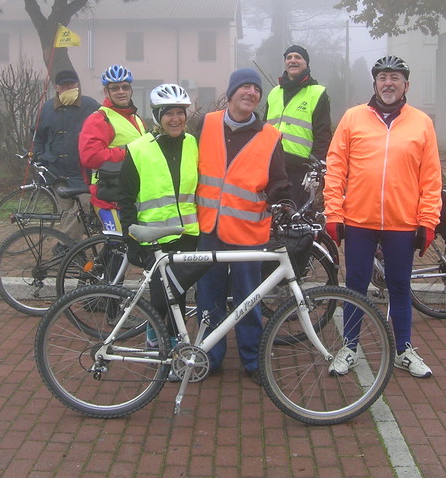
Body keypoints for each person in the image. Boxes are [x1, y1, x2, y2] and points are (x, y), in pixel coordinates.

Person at [322, 55, 442, 378]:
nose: (389, 83)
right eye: (383, 77)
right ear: (374, 83)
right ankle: (349, 347)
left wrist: (428, 221)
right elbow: (335, 169)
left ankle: (403, 349)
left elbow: (431, 178)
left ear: (406, 85)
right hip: (359, 220)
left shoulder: (421, 123)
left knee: (400, 286)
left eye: (396, 78)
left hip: (402, 223)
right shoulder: (352, 118)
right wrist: (334, 212)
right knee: (355, 286)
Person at [195, 67, 291, 382]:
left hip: (249, 233)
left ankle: (252, 360)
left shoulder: (270, 136)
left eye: (256, 89)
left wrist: (263, 199)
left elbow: (279, 181)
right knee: (208, 297)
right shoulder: (205, 124)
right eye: (245, 87)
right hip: (208, 229)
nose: (250, 93)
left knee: (249, 298)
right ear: (232, 91)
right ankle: (211, 357)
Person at [118, 83, 200, 338]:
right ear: (157, 117)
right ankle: (156, 340)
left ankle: (175, 345)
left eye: (180, 113)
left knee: (179, 294)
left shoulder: (192, 143)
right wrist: (131, 240)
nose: (175, 119)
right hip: (154, 237)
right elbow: (126, 198)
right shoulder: (139, 149)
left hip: (187, 233)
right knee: (161, 296)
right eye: (168, 113)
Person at [31, 69, 99, 240]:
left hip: (81, 171)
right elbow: (39, 135)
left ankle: (69, 247)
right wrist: (38, 156)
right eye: (64, 85)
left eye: (72, 84)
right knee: (67, 212)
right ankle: (71, 249)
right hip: (56, 170)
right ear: (57, 87)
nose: (68, 87)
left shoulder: (90, 106)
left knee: (82, 208)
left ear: (77, 85)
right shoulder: (47, 108)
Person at [78, 65, 147, 233]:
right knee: (116, 248)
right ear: (106, 92)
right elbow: (90, 157)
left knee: (128, 247)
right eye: (115, 88)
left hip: (131, 194)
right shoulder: (99, 119)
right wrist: (128, 152)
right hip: (108, 197)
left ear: (131, 90)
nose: (121, 91)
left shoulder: (136, 118)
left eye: (125, 87)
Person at [264, 44, 332, 207]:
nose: (292, 61)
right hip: (271, 168)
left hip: (300, 171)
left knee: (296, 223)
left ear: (306, 63)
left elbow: (323, 134)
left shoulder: (317, 93)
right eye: (289, 57)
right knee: (270, 221)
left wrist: (316, 169)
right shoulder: (274, 93)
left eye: (298, 57)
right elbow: (263, 129)